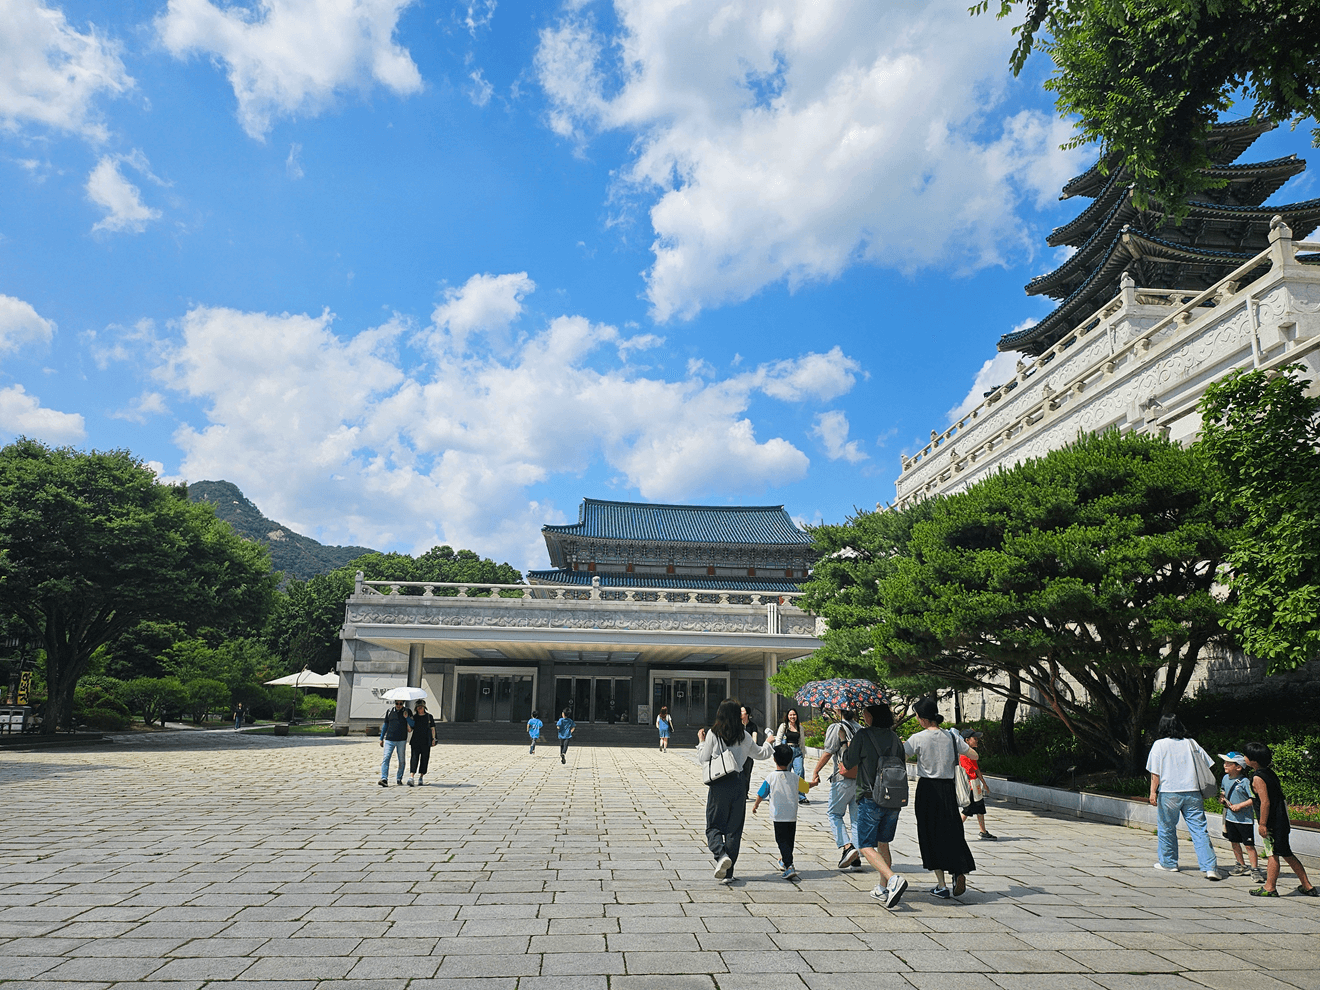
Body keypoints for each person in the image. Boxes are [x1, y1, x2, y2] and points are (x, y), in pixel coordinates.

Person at [904, 697, 977, 898]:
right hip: (948, 788)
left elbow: (901, 756)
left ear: (921, 718)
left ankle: (941, 884)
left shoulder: (918, 738)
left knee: (930, 833)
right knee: (952, 830)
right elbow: (973, 755)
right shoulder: (951, 737)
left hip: (927, 789)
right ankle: (959, 870)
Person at [697, 698, 777, 885]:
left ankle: (720, 853)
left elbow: (703, 758)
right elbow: (761, 754)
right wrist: (769, 742)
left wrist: (701, 741)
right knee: (734, 828)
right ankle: (729, 872)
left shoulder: (713, 734)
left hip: (719, 784)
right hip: (739, 784)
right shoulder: (744, 735)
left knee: (714, 825)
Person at [841, 703, 910, 908]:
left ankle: (892, 879)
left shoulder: (863, 736)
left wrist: (844, 741)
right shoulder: (895, 738)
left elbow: (848, 761)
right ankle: (883, 888)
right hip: (894, 798)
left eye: (865, 713)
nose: (863, 715)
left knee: (865, 845)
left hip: (871, 796)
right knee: (883, 843)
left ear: (871, 716)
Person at [1146, 714, 1221, 881]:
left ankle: (1169, 863)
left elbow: (1155, 773)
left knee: (1166, 828)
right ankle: (1210, 867)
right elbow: (1207, 764)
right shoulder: (1191, 743)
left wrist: (1153, 792)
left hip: (1169, 793)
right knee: (1199, 829)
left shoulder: (1159, 745)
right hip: (1193, 791)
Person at [1243, 741, 1317, 897]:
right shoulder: (1269, 773)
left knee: (1272, 853)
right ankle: (1307, 885)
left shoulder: (1257, 777)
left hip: (1272, 822)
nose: (1244, 758)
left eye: (1246, 756)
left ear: (1253, 761)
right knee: (1286, 853)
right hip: (1282, 819)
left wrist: (1262, 824)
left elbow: (1265, 802)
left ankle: (1270, 887)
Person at [810, 707, 862, 869]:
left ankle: (847, 847)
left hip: (842, 777)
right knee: (856, 819)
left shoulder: (836, 727)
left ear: (839, 710)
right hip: (859, 779)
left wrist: (816, 771)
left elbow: (827, 753)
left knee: (834, 814)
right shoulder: (860, 729)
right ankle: (856, 858)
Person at [753, 744, 813, 880]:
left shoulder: (771, 777)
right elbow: (806, 787)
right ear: (791, 760)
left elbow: (762, 793)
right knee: (789, 840)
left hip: (778, 815)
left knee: (781, 840)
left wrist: (755, 805)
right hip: (792, 815)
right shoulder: (794, 777)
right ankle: (784, 860)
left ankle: (789, 865)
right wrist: (815, 782)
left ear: (774, 759)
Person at [1218, 751, 1262, 880]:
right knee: (1234, 842)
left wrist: (1240, 806)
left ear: (1238, 767)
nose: (1225, 765)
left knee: (1249, 845)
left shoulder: (1245, 782)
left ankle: (1254, 869)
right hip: (1230, 818)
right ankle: (1240, 864)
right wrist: (1222, 798)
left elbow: (1253, 799)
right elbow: (1223, 791)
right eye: (1225, 762)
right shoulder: (1225, 778)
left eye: (1228, 763)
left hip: (1245, 820)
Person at [959, 729, 996, 840]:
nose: (977, 741)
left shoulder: (970, 753)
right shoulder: (965, 755)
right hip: (971, 786)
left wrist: (984, 783)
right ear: (967, 740)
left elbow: (977, 770)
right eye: (974, 739)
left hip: (975, 784)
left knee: (980, 808)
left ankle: (983, 831)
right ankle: (952, 829)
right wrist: (983, 783)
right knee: (968, 810)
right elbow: (974, 771)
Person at [775, 708, 810, 803]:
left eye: (794, 714)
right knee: (785, 773)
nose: (792, 716)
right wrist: (778, 752)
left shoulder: (800, 727)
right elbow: (778, 739)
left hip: (797, 752)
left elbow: (802, 741)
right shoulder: (784, 726)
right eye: (790, 715)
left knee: (800, 772)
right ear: (787, 716)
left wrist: (803, 753)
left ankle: (801, 796)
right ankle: (783, 794)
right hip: (786, 752)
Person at [378, 699, 411, 787]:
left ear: (403, 703)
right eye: (397, 703)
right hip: (389, 739)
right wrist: (381, 738)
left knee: (401, 760)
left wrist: (407, 717)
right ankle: (384, 778)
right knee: (386, 758)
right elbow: (385, 725)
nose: (398, 705)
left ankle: (399, 778)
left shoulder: (407, 711)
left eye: (400, 703)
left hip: (401, 739)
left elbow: (412, 724)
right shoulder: (389, 711)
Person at [406, 700, 436, 786]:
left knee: (424, 759)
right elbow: (410, 730)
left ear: (424, 707)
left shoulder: (429, 717)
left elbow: (432, 728)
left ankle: (421, 777)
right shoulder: (414, 717)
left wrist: (433, 739)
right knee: (414, 758)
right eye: (418, 707)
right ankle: (411, 777)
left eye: (421, 707)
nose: (420, 708)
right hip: (415, 741)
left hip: (426, 741)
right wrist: (407, 721)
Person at [738, 706, 760, 799]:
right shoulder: (737, 725)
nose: (740, 713)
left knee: (747, 774)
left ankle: (745, 792)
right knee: (738, 774)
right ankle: (738, 792)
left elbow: (754, 738)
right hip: (738, 753)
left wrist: (752, 747)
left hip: (748, 754)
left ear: (747, 714)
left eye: (742, 711)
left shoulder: (752, 726)